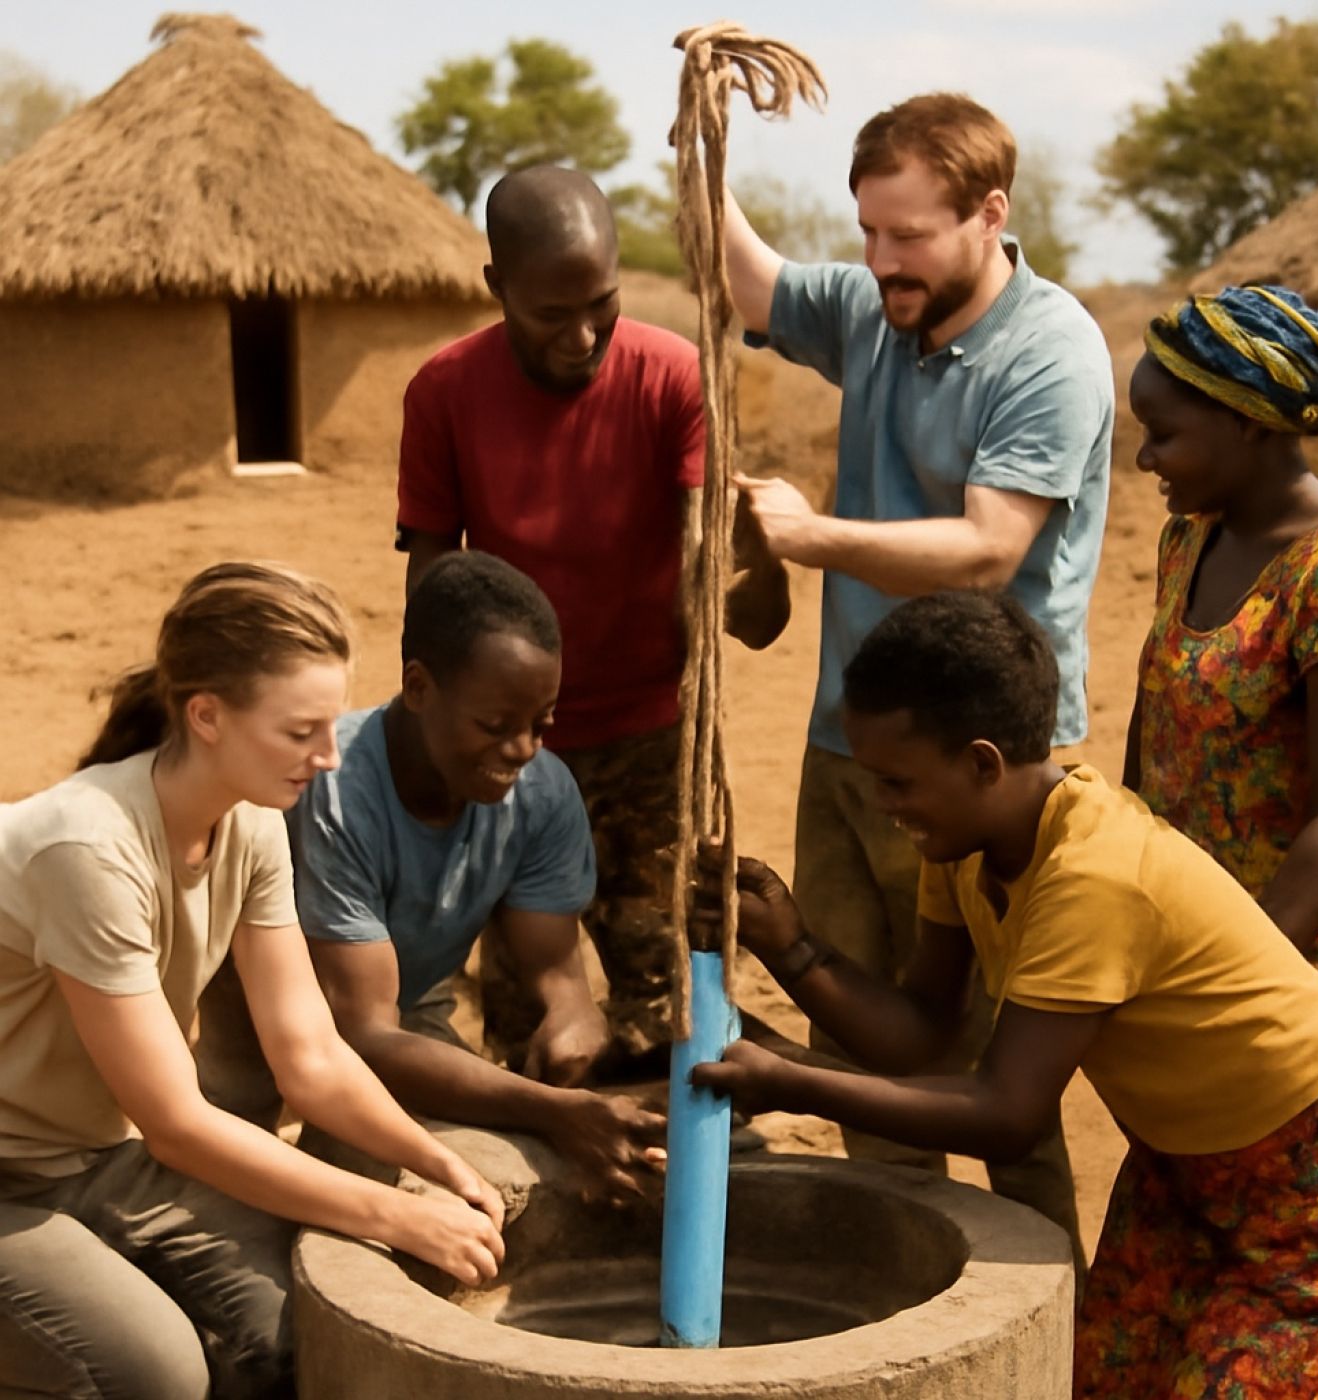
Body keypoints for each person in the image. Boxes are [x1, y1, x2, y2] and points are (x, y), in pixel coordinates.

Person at [692, 590, 1318, 1396]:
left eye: (896, 783)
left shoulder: (1093, 875)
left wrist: (791, 1081)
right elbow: (920, 1033)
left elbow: (1006, 1115)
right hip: (1182, 1174)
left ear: (982, 763)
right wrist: (790, 946)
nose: (885, 807)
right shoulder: (969, 842)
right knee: (1103, 1383)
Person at [722, 90, 1112, 1252]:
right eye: (866, 232)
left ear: (989, 214)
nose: (881, 259)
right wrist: (702, 158)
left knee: (990, 1072)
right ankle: (904, 1289)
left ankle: (1036, 1307)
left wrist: (811, 535)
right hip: (849, 745)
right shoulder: (874, 310)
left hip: (978, 765)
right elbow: (749, 284)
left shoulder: (1048, 351)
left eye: (908, 235)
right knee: (853, 1042)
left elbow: (990, 547)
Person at [0, 563, 507, 1400]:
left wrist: (437, 1163)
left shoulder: (252, 826)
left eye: (331, 725)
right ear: (206, 716)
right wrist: (395, 1213)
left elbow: (310, 1056)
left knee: (302, 1328)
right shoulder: (85, 850)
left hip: (90, 1155)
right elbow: (177, 1126)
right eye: (301, 731)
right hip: (16, 1179)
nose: (329, 756)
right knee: (155, 1373)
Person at [395, 164, 788, 1077]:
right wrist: (439, 743)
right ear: (496, 287)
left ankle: (688, 1161)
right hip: (513, 749)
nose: (582, 337)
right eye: (550, 314)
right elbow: (435, 584)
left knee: (673, 999)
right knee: (528, 1020)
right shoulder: (444, 392)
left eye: (602, 306)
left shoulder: (674, 377)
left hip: (655, 740)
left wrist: (756, 566)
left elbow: (732, 596)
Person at [284, 551, 666, 1201]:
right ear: (418, 688)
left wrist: (573, 1016)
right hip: (271, 1021)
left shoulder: (540, 793)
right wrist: (551, 1110)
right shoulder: (336, 790)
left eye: (541, 725)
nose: (522, 749)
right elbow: (363, 1036)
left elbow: (558, 974)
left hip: (406, 1014)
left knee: (480, 1174)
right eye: (495, 726)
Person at [1124, 283, 1318, 1067]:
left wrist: (1226, 987)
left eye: (1163, 435)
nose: (1144, 459)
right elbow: (1154, 728)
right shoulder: (1188, 539)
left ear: (1246, 421)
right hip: (1190, 943)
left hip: (1298, 976)